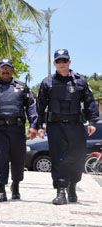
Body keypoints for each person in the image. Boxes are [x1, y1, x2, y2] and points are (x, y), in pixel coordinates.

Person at [37, 49, 99, 205]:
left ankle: (73, 185)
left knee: (77, 156)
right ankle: (60, 191)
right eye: (58, 61)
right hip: (55, 125)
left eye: (64, 60)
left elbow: (90, 102)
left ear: (70, 62)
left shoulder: (80, 81)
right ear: (54, 63)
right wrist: (38, 125)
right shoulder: (47, 82)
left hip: (75, 125)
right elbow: (40, 106)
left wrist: (92, 122)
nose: (62, 64)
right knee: (58, 157)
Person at [0, 59, 38, 202]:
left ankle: (16, 186)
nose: (5, 71)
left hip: (17, 129)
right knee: (0, 158)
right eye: (2, 68)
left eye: (8, 68)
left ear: (13, 70)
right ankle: (1, 190)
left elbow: (31, 106)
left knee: (18, 159)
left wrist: (33, 124)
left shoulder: (22, 87)